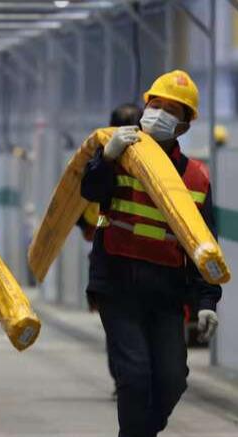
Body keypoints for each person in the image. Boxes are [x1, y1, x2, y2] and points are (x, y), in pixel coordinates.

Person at [80, 70, 222, 437]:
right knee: (135, 375)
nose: (158, 114)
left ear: (184, 125)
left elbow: (203, 243)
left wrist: (207, 301)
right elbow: (90, 190)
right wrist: (106, 157)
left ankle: (143, 433)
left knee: (173, 378)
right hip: (118, 286)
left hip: (166, 293)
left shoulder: (196, 178)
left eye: (170, 110)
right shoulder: (120, 155)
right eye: (154, 105)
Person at [76, 103, 143, 399]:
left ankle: (132, 379)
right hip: (113, 260)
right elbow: (91, 207)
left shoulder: (152, 163)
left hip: (146, 261)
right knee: (118, 329)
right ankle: (124, 381)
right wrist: (102, 226)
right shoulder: (101, 160)